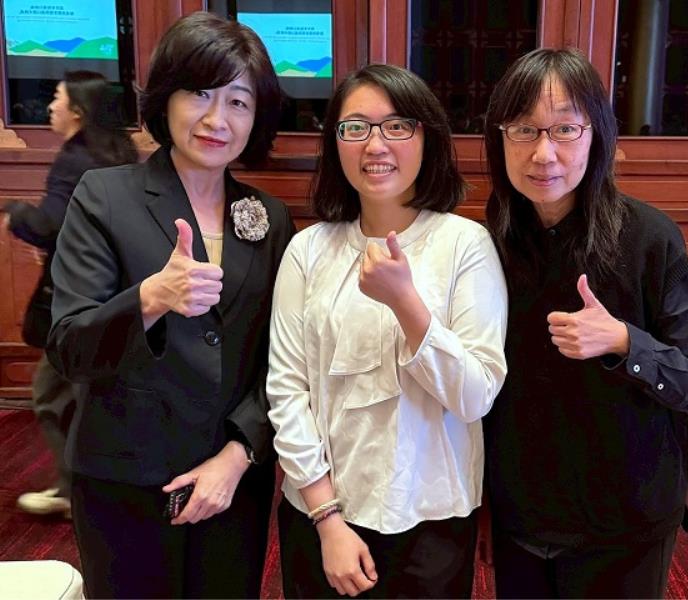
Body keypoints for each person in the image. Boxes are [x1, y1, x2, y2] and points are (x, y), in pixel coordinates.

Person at [47, 12, 294, 598]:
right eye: (200, 93)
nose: (216, 118)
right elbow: (69, 347)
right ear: (166, 98)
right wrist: (151, 297)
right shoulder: (105, 197)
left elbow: (282, 361)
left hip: (231, 484)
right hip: (125, 479)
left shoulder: (269, 217)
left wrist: (240, 452)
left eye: (238, 101)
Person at [482, 47, 688, 599]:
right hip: (522, 516)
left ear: (598, 135)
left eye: (565, 129)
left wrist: (624, 341)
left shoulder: (650, 238)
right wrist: (485, 504)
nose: (543, 153)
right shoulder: (486, 243)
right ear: (500, 139)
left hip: (624, 521)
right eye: (524, 130)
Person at [267, 64, 508, 599]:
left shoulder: (466, 245)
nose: (375, 144)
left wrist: (405, 302)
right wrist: (327, 519)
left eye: (397, 126)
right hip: (323, 517)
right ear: (336, 143)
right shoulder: (308, 250)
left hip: (433, 517)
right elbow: (287, 391)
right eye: (355, 127)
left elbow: (476, 396)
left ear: (428, 137)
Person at [1, 71, 138, 518]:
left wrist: (14, 212)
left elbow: (52, 226)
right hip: (120, 295)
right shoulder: (121, 152)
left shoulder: (74, 159)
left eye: (57, 98)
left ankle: (76, 492)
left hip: (77, 300)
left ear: (77, 110)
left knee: (51, 394)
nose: (50, 106)